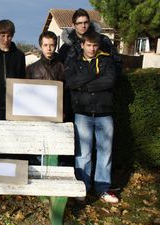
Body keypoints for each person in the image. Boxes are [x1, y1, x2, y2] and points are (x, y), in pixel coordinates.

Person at [64, 30, 119, 204]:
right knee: (83, 154)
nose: (92, 48)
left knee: (105, 153)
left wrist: (85, 86)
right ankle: (82, 188)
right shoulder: (74, 62)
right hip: (83, 113)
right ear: (82, 45)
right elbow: (71, 83)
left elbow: (110, 81)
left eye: (95, 45)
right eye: (89, 45)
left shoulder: (106, 60)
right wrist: (94, 74)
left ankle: (102, 188)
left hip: (104, 113)